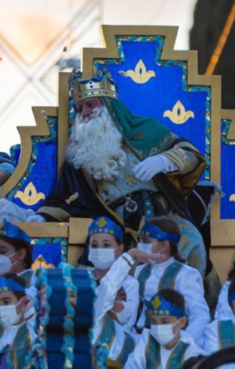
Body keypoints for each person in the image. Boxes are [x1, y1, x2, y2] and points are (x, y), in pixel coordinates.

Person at [27, 69, 217, 277]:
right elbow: (66, 197)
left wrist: (164, 161)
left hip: (164, 217)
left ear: (109, 106)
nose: (85, 112)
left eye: (91, 105)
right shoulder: (79, 156)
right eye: (79, 108)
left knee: (192, 239)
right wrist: (43, 217)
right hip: (118, 225)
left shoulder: (148, 130)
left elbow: (190, 155)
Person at [134, 217, 210, 342]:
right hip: (142, 339)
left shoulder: (185, 274)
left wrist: (184, 343)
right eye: (140, 240)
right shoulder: (138, 271)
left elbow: (200, 315)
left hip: (174, 340)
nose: (140, 246)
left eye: (146, 241)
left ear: (163, 245)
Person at [87, 216, 141, 333]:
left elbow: (126, 323)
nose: (99, 250)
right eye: (94, 245)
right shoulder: (80, 278)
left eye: (106, 245)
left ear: (119, 249)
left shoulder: (129, 284)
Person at [125, 289, 204, 368]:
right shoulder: (147, 339)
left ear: (181, 322)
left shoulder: (190, 350)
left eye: (165, 322)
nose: (158, 327)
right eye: (153, 322)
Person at [0, 273, 35, 368]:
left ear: (23, 301)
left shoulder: (34, 328)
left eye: (6, 302)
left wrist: (30, 313)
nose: (0, 308)